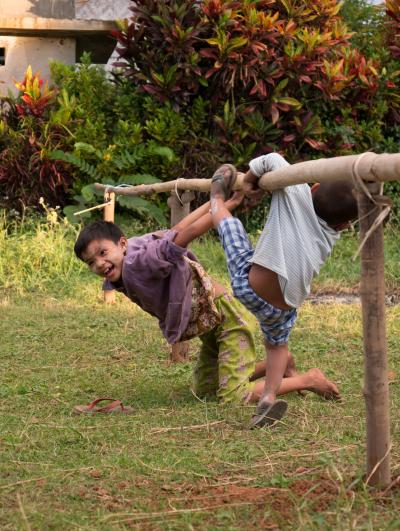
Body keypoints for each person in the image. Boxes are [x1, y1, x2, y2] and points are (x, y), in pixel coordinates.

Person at [74, 187, 340, 425]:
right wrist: (220, 204)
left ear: (122, 243)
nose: (98, 263)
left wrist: (219, 207)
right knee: (205, 390)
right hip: (209, 325)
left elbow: (184, 234)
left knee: (233, 397)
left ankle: (308, 379)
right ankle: (281, 364)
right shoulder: (132, 252)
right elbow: (176, 229)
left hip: (227, 319)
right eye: (90, 262)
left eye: (102, 253)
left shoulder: (142, 261)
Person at [209, 153, 356, 427]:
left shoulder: (296, 189)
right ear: (344, 226)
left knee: (232, 229)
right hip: (284, 307)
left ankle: (217, 199)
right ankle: (267, 398)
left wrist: (250, 181)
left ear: (312, 187)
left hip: (249, 284)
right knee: (277, 347)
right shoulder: (332, 234)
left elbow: (273, 158)